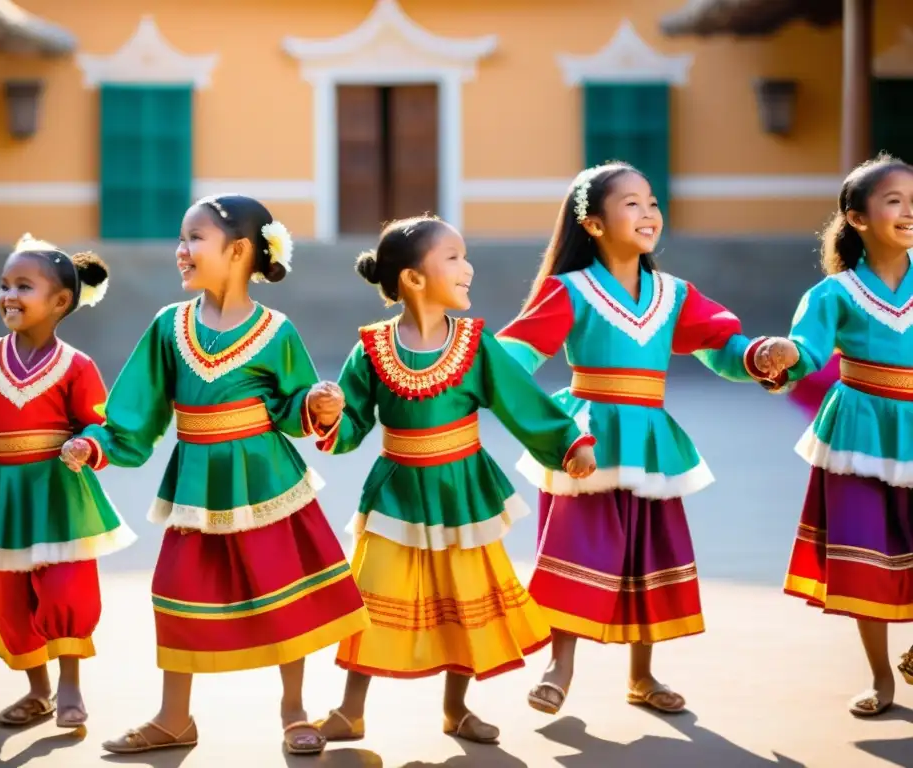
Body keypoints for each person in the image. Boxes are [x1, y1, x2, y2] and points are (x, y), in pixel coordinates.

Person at [60, 194, 369, 756]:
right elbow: (133, 412)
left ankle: (293, 710)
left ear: (241, 251)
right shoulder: (167, 327)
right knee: (176, 592)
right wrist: (94, 441)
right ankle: (174, 716)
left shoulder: (277, 330)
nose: (181, 250)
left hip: (267, 482)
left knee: (282, 592)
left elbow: (291, 402)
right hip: (195, 486)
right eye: (181, 239)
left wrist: (317, 403)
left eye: (194, 239)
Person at [496, 162, 797, 717]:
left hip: (651, 439)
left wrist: (761, 355)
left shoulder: (674, 294)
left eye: (652, 202)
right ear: (592, 224)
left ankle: (643, 675)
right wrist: (480, 382)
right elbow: (514, 354)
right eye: (631, 203)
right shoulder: (570, 290)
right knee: (574, 549)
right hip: (588, 438)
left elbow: (724, 346)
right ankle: (559, 667)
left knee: (647, 554)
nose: (648, 213)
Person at [309, 215, 597, 745]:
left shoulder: (474, 344)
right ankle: (351, 710)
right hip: (396, 492)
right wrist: (329, 414)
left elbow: (519, 401)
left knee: (467, 597)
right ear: (414, 279)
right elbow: (351, 428)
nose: (469, 268)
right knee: (373, 597)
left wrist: (567, 443)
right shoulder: (371, 349)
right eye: (454, 258)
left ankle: (456, 708)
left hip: (463, 491)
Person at [0, 234, 134, 728]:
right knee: (11, 600)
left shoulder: (77, 366)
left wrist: (88, 445)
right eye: (4, 285)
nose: (9, 295)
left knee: (65, 589)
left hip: (60, 494)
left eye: (23, 286)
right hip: (4, 496)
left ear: (60, 302)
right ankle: (38, 692)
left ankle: (71, 684)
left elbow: (101, 425)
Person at [777, 153, 913, 717]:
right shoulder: (833, 294)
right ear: (857, 218)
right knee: (865, 554)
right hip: (857, 434)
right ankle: (882, 677)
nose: (909, 211)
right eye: (895, 201)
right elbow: (806, 351)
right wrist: (783, 354)